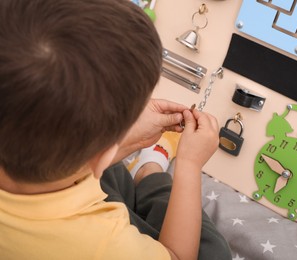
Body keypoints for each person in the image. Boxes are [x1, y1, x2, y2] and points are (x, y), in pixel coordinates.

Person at [0, 0, 232, 259]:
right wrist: (189, 166)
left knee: (113, 177)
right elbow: (178, 256)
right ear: (102, 158)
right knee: (213, 251)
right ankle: (150, 170)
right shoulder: (104, 245)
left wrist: (121, 138)